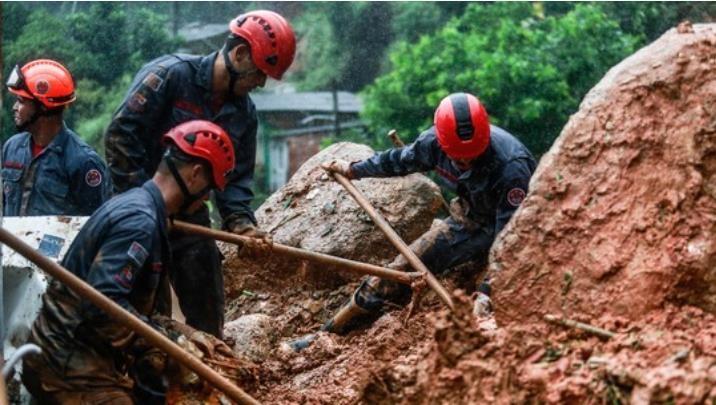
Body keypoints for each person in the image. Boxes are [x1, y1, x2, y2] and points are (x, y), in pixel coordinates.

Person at [289, 92, 537, 350]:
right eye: (458, 158)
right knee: (399, 269)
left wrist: (487, 291)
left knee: (494, 299)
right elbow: (399, 161)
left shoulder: (512, 167)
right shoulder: (433, 143)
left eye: (472, 155)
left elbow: (512, 237)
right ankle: (325, 335)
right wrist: (353, 169)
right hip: (469, 221)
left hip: (513, 228)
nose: (466, 161)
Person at [104, 10, 296, 338]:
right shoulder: (168, 75)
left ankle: (208, 375)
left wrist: (242, 226)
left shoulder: (244, 115)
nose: (261, 83)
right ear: (239, 54)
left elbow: (235, 181)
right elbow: (121, 138)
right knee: (148, 319)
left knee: (208, 310)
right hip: (139, 211)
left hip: (191, 216)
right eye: (260, 73)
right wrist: (146, 205)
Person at [22, 120, 237, 404]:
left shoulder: (137, 205)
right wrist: (171, 343)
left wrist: (183, 334)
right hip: (66, 365)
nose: (205, 200)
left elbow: (128, 307)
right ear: (196, 175)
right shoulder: (140, 223)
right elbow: (102, 305)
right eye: (209, 189)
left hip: (72, 354)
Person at [3, 59, 111, 216]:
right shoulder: (12, 147)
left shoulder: (84, 162)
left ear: (43, 107)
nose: (14, 107)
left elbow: (96, 225)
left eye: (21, 101)